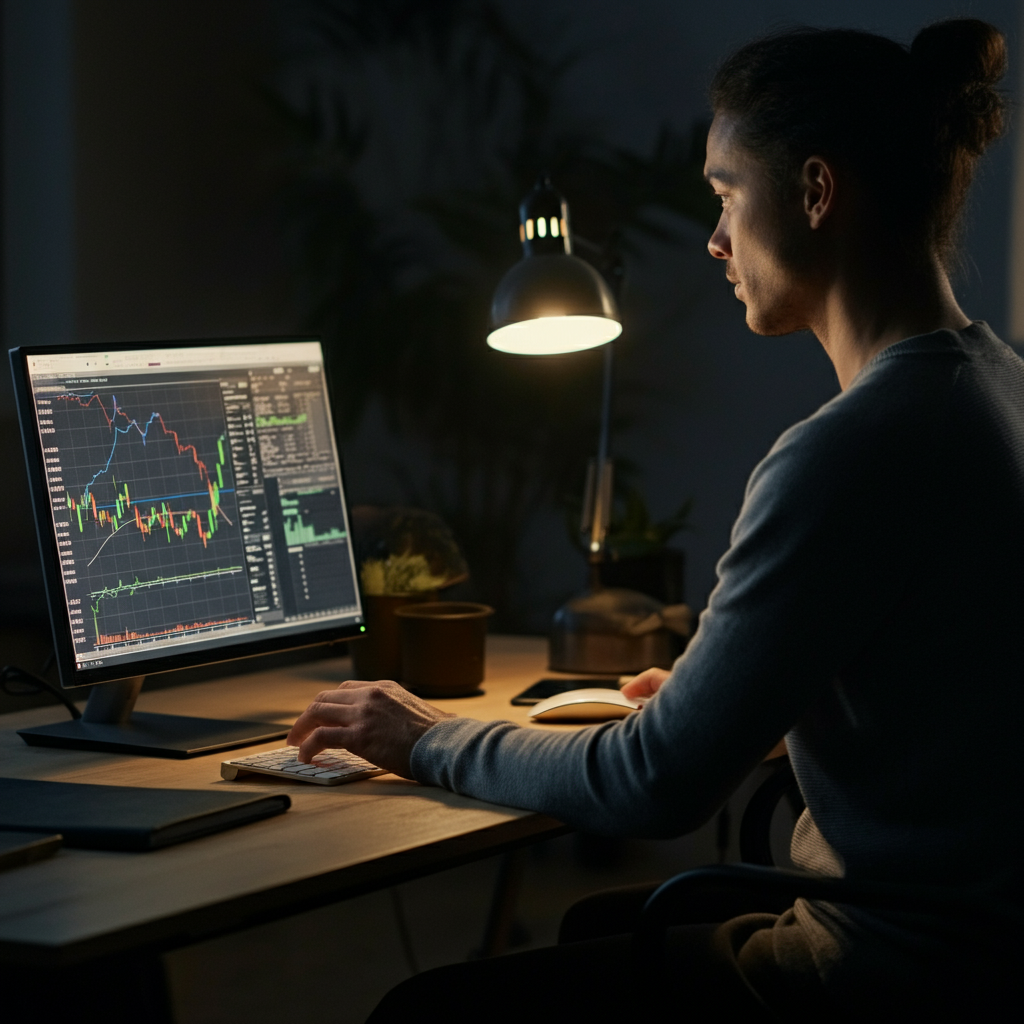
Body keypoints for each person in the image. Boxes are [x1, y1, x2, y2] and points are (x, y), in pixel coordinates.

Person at [289, 19, 1023, 1021]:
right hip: (985, 946)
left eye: (726, 194)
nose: (714, 238)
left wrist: (424, 735)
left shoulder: (854, 448)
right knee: (598, 929)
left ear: (814, 191)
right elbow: (941, 692)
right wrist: (732, 692)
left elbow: (652, 788)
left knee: (423, 1011)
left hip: (882, 970)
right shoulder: (999, 389)